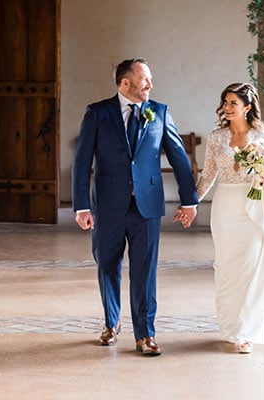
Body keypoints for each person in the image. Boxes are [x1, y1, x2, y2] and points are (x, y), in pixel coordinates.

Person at [72, 58, 199, 356]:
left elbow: (179, 159)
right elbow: (81, 162)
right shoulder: (97, 113)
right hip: (107, 206)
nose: (150, 85)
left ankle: (145, 334)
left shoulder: (160, 113)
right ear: (125, 82)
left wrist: (189, 199)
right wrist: (81, 206)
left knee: (145, 271)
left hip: (147, 207)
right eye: (144, 79)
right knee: (107, 264)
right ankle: (111, 322)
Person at [185, 82, 264, 353]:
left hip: (253, 207)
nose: (227, 108)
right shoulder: (217, 137)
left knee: (252, 267)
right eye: (225, 102)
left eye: (233, 103)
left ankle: (246, 332)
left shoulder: (262, 137)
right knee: (227, 268)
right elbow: (208, 176)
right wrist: (190, 203)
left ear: (247, 108)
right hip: (226, 205)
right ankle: (230, 327)